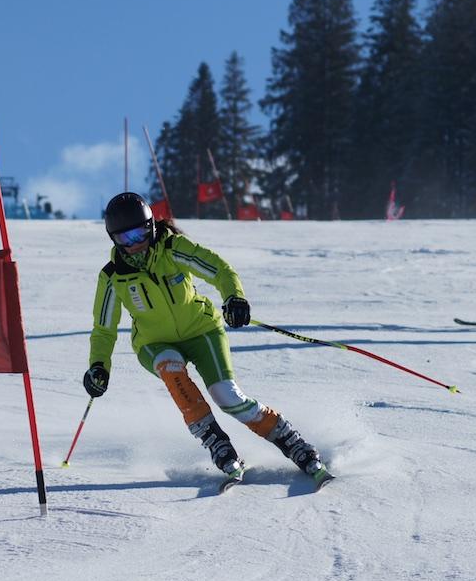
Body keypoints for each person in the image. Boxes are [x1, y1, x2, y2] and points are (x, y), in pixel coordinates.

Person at [84, 192, 330, 483]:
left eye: (139, 233)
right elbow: (104, 330)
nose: (135, 244)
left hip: (202, 330)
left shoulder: (173, 248)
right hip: (153, 344)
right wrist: (99, 366)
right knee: (170, 366)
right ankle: (216, 442)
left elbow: (219, 269)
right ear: (114, 239)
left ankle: (291, 441)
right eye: (125, 238)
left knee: (227, 396)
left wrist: (234, 298)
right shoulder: (113, 277)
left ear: (151, 227)